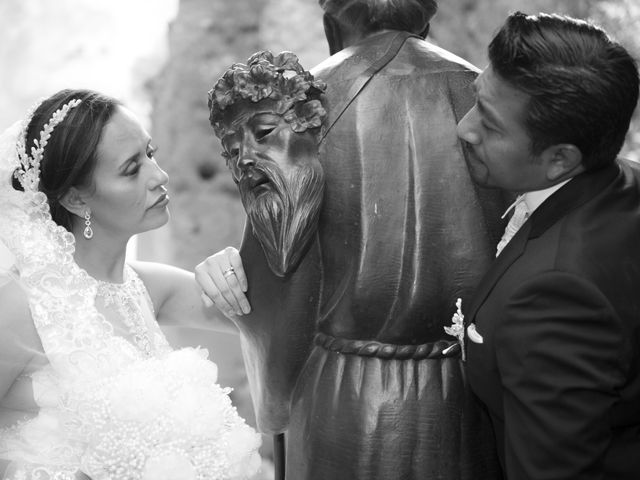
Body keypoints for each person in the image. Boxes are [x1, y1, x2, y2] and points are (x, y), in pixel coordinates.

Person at [199, 1, 506, 478]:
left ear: (331, 25)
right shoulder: (486, 93)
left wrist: (275, 398)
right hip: (473, 392)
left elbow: (280, 283)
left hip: (343, 399)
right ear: (425, 20)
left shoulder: (296, 106)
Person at [0, 89, 261, 480]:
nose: (160, 176)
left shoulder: (152, 288)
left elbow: (274, 313)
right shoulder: (22, 305)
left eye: (150, 155)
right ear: (75, 199)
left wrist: (231, 268)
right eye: (131, 169)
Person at [456, 11, 640, 480]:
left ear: (560, 159)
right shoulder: (624, 182)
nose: (464, 128)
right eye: (476, 98)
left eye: (491, 126)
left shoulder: (553, 295)